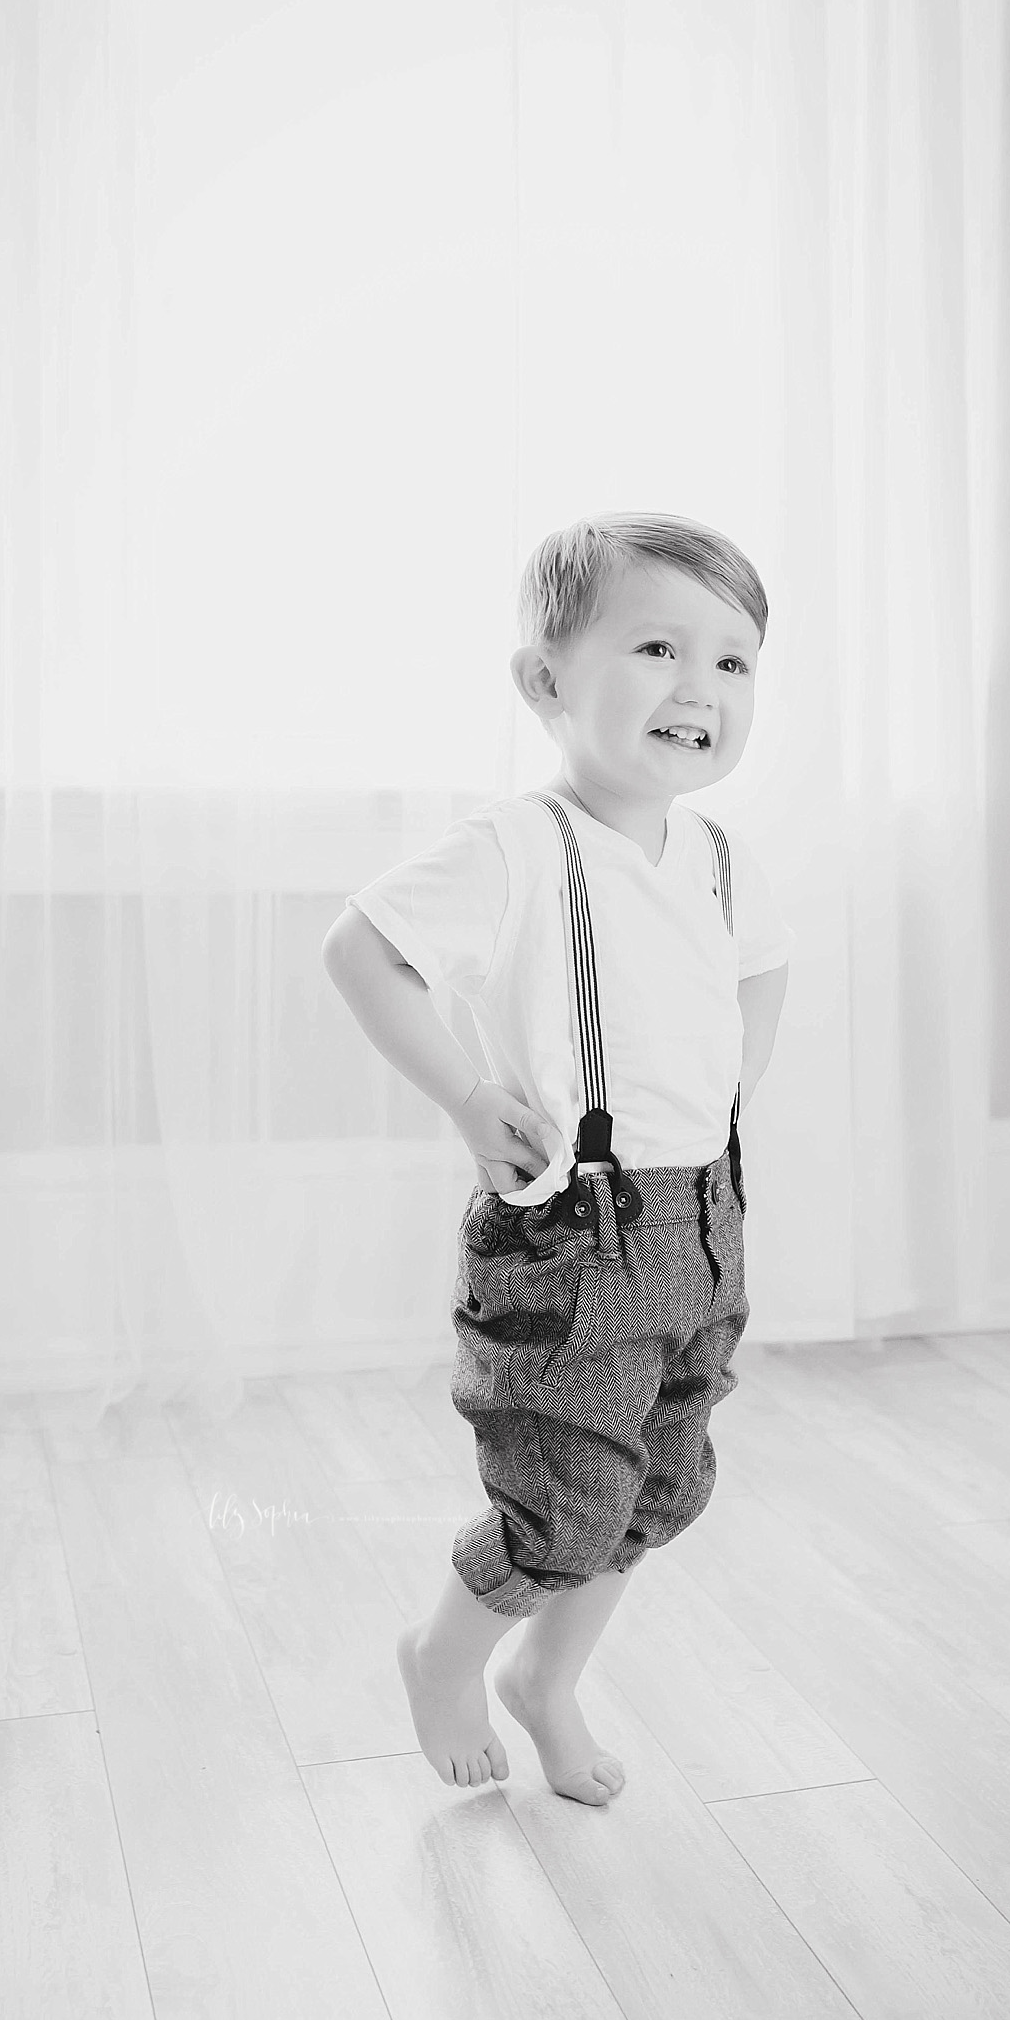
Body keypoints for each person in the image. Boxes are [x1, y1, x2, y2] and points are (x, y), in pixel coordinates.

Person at [321, 512, 793, 1806]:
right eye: (657, 646)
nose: (700, 685)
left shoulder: (714, 855)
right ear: (546, 682)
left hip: (701, 1221)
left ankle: (548, 1680)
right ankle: (444, 1649)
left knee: (661, 1481)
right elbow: (362, 950)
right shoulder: (519, 846)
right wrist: (473, 1098)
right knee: (562, 1501)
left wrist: (730, 1085)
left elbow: (765, 967)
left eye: (734, 660)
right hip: (573, 1239)